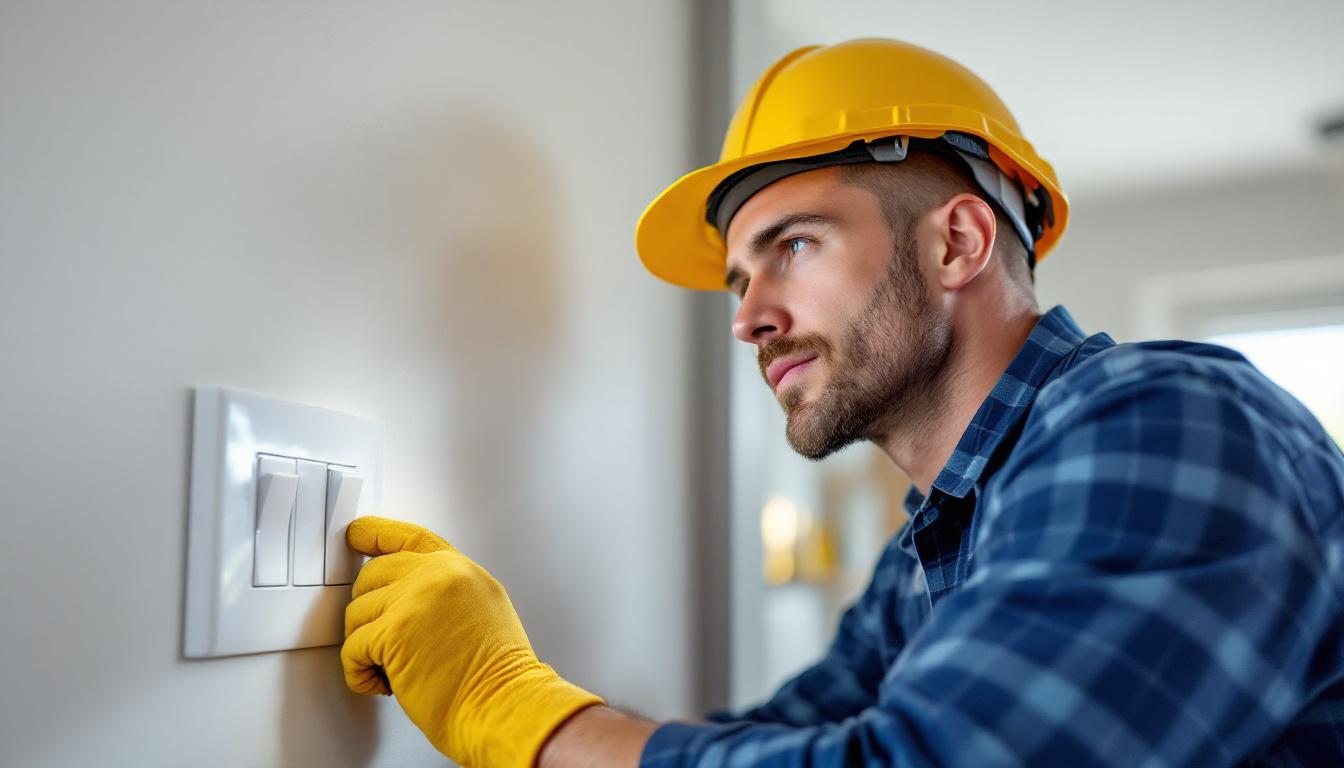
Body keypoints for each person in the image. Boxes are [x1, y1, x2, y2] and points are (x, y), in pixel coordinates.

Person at [339, 39, 1344, 767]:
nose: (749, 318)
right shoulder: (935, 546)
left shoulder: (1169, 423)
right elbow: (779, 745)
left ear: (957, 243)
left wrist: (510, 707)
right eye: (739, 280)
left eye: (796, 246)